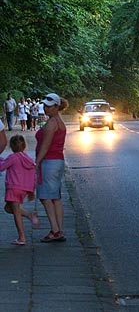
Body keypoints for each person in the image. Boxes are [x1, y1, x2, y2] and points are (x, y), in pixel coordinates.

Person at [36, 93, 68, 243]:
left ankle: (55, 230)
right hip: (57, 161)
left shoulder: (51, 123)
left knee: (45, 197)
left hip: (49, 162)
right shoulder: (59, 122)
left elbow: (45, 145)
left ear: (56, 107)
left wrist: (36, 163)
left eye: (48, 106)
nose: (45, 108)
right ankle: (58, 230)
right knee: (55, 197)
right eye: (44, 106)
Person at [0, 135, 39, 245]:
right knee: (8, 208)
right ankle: (29, 215)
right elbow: (33, 176)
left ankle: (22, 237)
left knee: (16, 212)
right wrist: (31, 190)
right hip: (23, 189)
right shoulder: (29, 159)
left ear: (11, 146)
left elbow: (2, 167)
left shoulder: (12, 157)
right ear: (24, 146)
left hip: (13, 187)